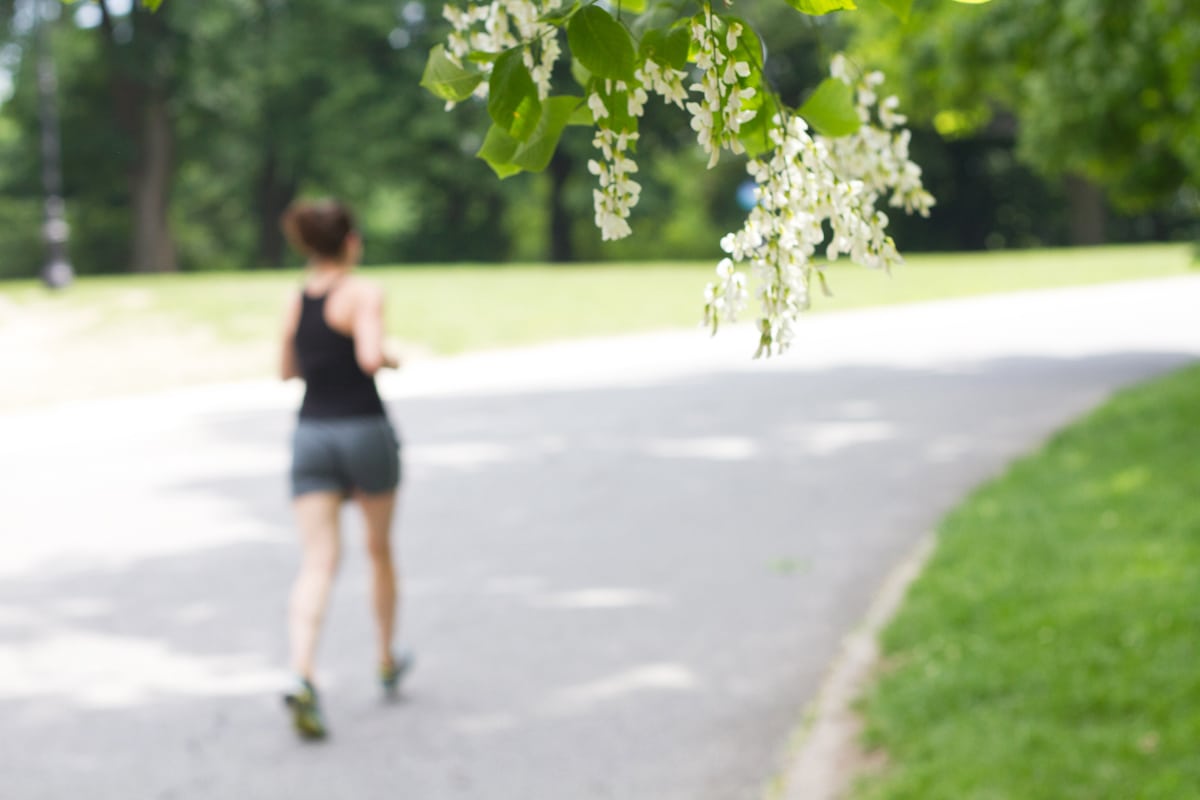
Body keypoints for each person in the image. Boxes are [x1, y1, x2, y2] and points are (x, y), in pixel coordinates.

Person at [278, 198, 412, 740]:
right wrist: (395, 356)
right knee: (377, 550)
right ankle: (384, 658)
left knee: (317, 561)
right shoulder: (363, 293)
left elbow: (286, 369)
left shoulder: (298, 298)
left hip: (310, 434)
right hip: (362, 429)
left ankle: (302, 672)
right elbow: (369, 356)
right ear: (350, 241)